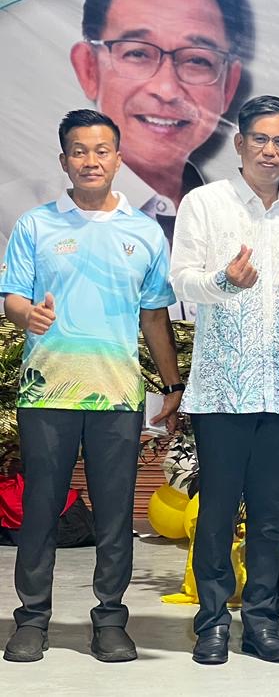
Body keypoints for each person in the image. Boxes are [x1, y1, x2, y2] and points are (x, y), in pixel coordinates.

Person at [0, 110, 181, 664]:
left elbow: (155, 316)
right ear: (64, 161)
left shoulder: (143, 232)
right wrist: (25, 314)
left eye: (102, 151)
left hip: (117, 395)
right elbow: (12, 298)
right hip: (47, 393)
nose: (90, 160)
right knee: (40, 510)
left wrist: (172, 384)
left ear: (118, 159)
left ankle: (111, 620)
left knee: (114, 513)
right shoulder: (36, 225)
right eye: (79, 151)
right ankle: (32, 619)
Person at [169, 96, 279, 665]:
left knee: (271, 514)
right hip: (221, 388)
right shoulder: (204, 204)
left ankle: (262, 621)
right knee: (216, 511)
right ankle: (212, 622)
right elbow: (181, 281)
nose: (270, 150)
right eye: (260, 138)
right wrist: (225, 281)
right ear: (239, 143)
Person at [68, 0, 250, 233]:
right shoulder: (21, 219)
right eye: (138, 53)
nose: (166, 89)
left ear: (228, 86)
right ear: (89, 68)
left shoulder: (235, 220)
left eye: (196, 60)